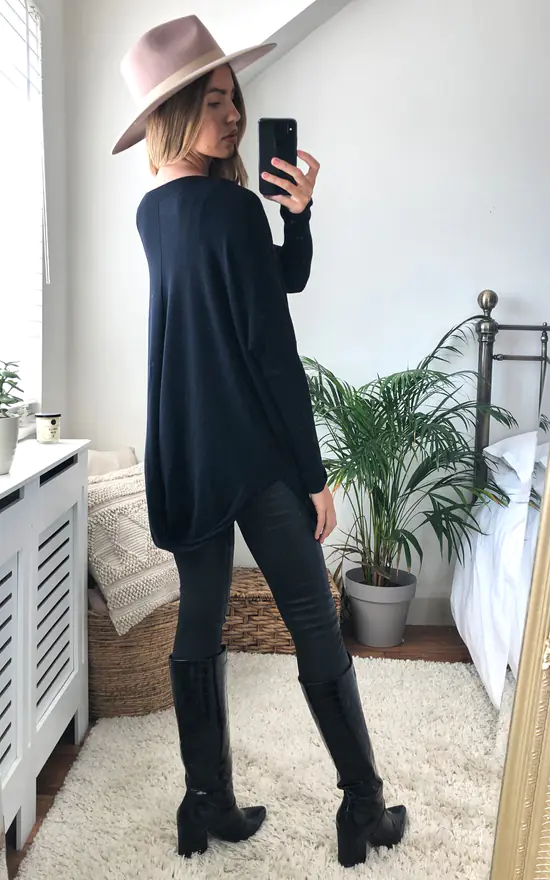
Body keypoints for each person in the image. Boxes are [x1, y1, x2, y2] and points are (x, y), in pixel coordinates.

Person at [113, 14, 407, 869]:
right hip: (253, 457)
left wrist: (296, 215)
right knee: (313, 619)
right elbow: (273, 351)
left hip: (184, 453)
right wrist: (314, 476)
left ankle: (205, 803)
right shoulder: (233, 209)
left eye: (232, 98)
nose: (234, 115)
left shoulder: (152, 213)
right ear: (173, 112)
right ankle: (362, 807)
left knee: (199, 620)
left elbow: (278, 279)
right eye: (212, 102)